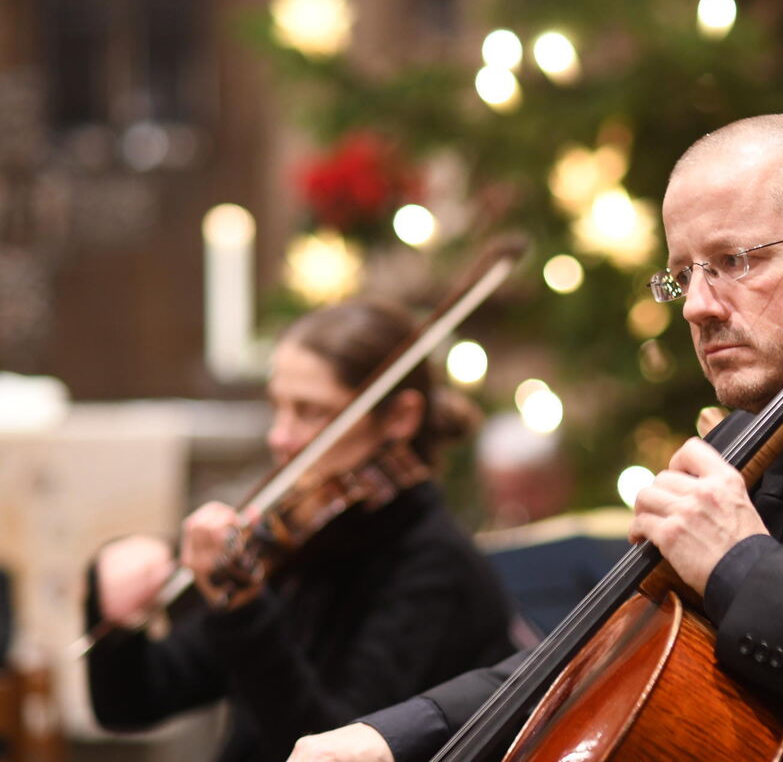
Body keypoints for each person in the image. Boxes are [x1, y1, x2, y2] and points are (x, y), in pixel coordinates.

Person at [287, 115, 783, 761]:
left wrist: (743, 566)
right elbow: (595, 651)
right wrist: (395, 737)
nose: (697, 306)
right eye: (683, 272)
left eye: (735, 261)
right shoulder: (743, 445)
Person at [85, 300, 516, 762]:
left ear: (400, 418)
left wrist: (243, 609)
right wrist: (113, 610)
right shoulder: (302, 541)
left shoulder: (435, 567)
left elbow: (327, 746)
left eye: (311, 412)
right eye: (278, 407)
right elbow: (131, 704)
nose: (279, 436)